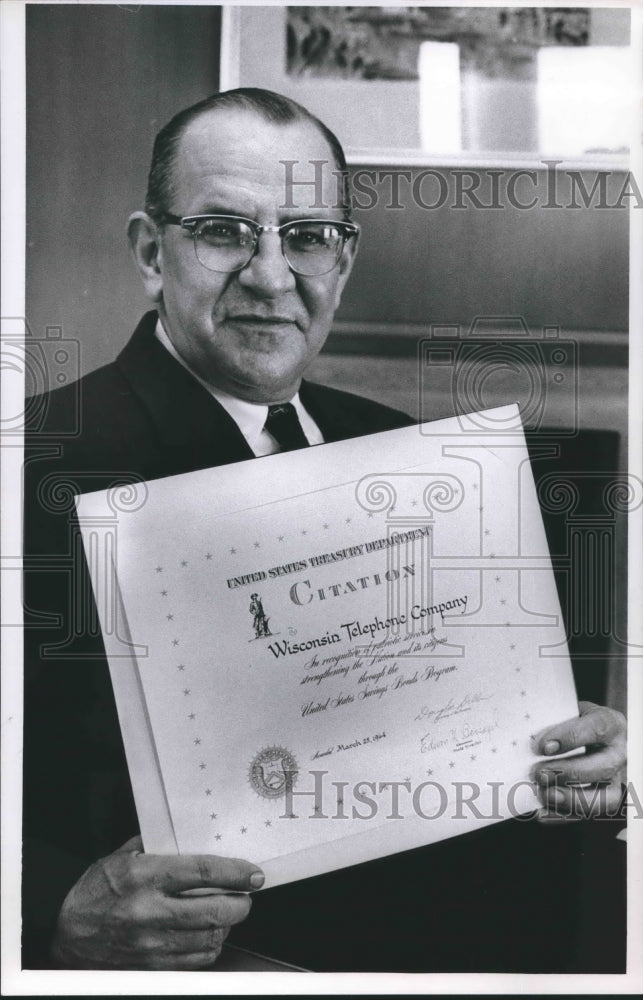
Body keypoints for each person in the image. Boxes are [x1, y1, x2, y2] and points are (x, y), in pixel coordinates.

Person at [23, 88, 626, 973]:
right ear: (153, 253)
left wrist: (580, 767)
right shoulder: (30, 471)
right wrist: (52, 911)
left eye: (306, 237)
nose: (272, 277)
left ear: (341, 263)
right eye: (224, 231)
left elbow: (497, 764)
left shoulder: (428, 467)